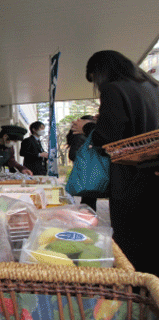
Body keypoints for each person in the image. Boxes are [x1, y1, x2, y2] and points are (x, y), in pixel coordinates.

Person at [71, 50, 159, 276]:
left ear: (99, 72)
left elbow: (107, 138)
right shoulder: (152, 87)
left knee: (131, 245)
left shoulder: (114, 88)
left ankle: (138, 296)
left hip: (130, 177)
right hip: (154, 174)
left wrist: (87, 128)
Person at [66, 115, 98, 210]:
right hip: (88, 171)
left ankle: (88, 218)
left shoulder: (85, 135)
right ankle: (87, 219)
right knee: (88, 201)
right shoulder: (80, 136)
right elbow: (73, 155)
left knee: (89, 200)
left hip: (88, 171)